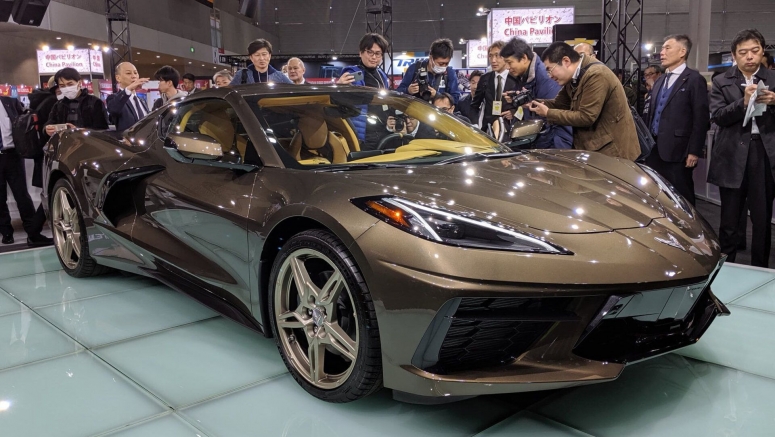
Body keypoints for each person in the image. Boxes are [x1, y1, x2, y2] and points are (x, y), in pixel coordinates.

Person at [708, 29, 775, 267]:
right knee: (729, 218)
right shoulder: (721, 80)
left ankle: (760, 270)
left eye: (755, 51)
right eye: (743, 52)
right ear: (734, 55)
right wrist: (743, 103)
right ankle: (725, 269)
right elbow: (717, 116)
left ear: (762, 51)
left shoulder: (773, 80)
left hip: (764, 154)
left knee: (762, 218)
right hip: (732, 155)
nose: (749, 57)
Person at [527, 42, 640, 160]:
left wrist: (548, 113)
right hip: (596, 150)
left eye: (550, 69)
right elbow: (559, 104)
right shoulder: (574, 77)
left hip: (613, 154)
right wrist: (532, 102)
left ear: (566, 61)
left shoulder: (596, 74)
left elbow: (586, 117)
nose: (550, 76)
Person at [643, 35, 709, 205]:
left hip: (679, 151)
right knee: (657, 195)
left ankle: (689, 230)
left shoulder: (694, 80)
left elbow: (700, 118)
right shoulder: (660, 81)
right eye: (662, 48)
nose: (662, 53)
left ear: (682, 52)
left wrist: (694, 151)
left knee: (682, 196)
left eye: (667, 48)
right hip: (654, 149)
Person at [500, 37, 573, 149]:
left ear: (524, 58)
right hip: (535, 140)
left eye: (510, 62)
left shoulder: (545, 78)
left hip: (550, 147)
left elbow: (556, 119)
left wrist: (554, 154)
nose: (508, 68)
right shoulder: (523, 76)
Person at [0, 94, 53, 246]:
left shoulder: (9, 102)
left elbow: (23, 124)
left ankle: (32, 232)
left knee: (22, 194)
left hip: (13, 155)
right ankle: (6, 232)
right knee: (0, 197)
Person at [337, 33, 392, 149]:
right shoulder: (354, 72)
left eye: (378, 54)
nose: (374, 57)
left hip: (383, 130)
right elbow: (346, 94)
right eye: (370, 52)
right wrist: (340, 86)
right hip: (363, 133)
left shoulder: (381, 74)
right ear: (361, 52)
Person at [46, 68, 109, 135]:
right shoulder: (58, 105)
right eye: (62, 86)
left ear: (79, 83)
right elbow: (50, 123)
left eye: (70, 84)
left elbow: (103, 129)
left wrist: (83, 131)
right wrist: (47, 129)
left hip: (89, 143)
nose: (67, 88)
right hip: (65, 144)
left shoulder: (95, 103)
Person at [471, 41, 518, 130]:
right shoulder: (485, 78)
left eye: (497, 55)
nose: (493, 60)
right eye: (491, 56)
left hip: (511, 129)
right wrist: (476, 125)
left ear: (506, 57)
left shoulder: (516, 78)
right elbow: (474, 105)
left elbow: (526, 105)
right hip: (488, 129)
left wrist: (514, 112)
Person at [397, 38, 460, 104]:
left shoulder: (450, 73)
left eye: (446, 63)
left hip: (439, 112)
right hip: (416, 111)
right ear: (431, 58)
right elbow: (398, 92)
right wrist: (408, 90)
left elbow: (455, 99)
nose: (443, 66)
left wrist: (437, 95)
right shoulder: (414, 69)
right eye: (440, 63)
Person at [106, 62, 150, 132]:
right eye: (128, 73)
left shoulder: (141, 100)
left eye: (135, 73)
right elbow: (113, 109)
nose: (133, 76)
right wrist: (129, 89)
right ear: (118, 78)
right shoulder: (114, 98)